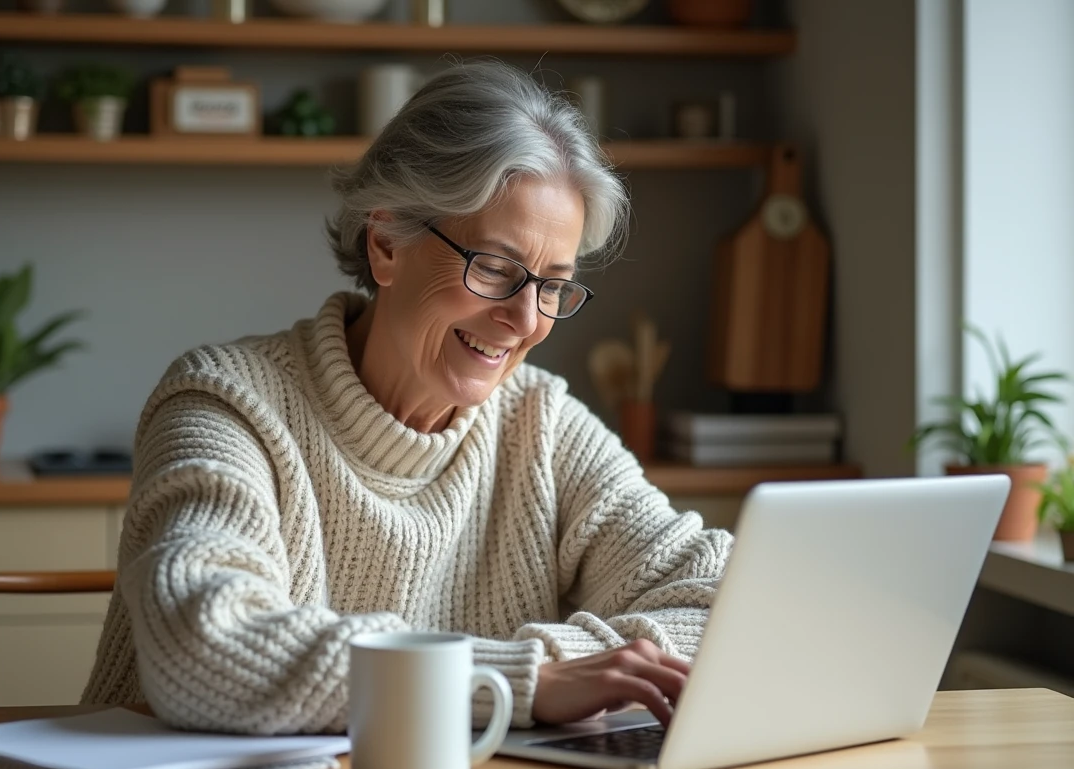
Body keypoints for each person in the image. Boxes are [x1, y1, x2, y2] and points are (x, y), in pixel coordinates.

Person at [82, 61, 732, 734]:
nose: (527, 319)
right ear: (387, 242)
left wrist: (557, 666)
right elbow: (203, 647)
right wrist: (521, 682)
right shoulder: (225, 403)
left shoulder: (543, 425)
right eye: (496, 269)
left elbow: (722, 605)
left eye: (551, 285)